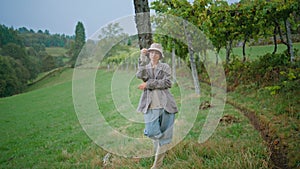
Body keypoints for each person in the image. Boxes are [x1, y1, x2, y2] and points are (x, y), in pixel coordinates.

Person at [136, 43, 178, 169]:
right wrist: (142, 58)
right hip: (150, 106)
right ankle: (161, 149)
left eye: (157, 53)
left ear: (160, 55)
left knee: (164, 136)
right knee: (152, 132)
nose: (154, 55)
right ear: (149, 54)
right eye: (152, 52)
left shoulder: (165, 67)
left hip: (166, 106)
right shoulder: (146, 67)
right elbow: (140, 75)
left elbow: (167, 82)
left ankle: (156, 165)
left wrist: (148, 84)